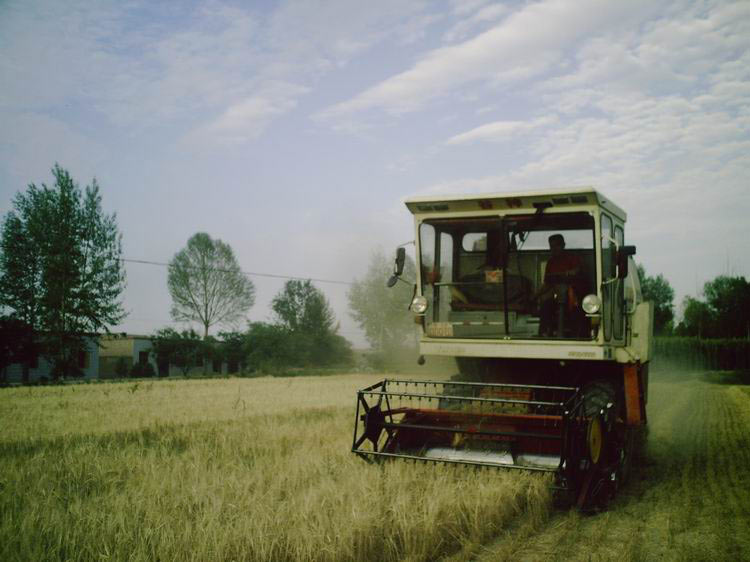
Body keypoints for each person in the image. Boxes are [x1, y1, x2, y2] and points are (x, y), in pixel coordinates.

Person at [532, 234, 586, 336]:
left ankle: (576, 335)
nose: (554, 249)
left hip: (573, 296)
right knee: (545, 307)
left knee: (576, 311)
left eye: (557, 245)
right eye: (551, 246)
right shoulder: (551, 262)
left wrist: (572, 272)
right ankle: (544, 334)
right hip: (556, 296)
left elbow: (577, 270)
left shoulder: (572, 258)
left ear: (563, 245)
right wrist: (535, 296)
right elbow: (547, 284)